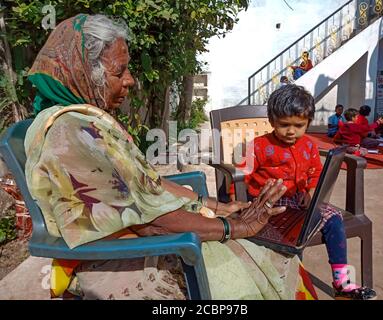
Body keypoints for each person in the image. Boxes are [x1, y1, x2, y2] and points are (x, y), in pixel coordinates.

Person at [24, 14, 318, 300]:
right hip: (126, 252)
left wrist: (214, 205)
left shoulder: (84, 121)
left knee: (272, 245)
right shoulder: (73, 133)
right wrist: (234, 227)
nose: (130, 81)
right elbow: (148, 224)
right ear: (83, 73)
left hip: (148, 234)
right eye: (119, 72)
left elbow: (147, 183)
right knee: (271, 252)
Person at [230, 85, 377, 300]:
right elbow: (240, 177)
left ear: (308, 121)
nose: (291, 131)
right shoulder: (259, 146)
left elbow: (316, 173)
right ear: (272, 121)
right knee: (292, 240)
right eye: (284, 125)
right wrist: (238, 206)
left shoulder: (308, 145)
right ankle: (294, 289)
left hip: (300, 202)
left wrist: (310, 193)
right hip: (269, 206)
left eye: (299, 125)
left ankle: (342, 283)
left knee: (333, 219)